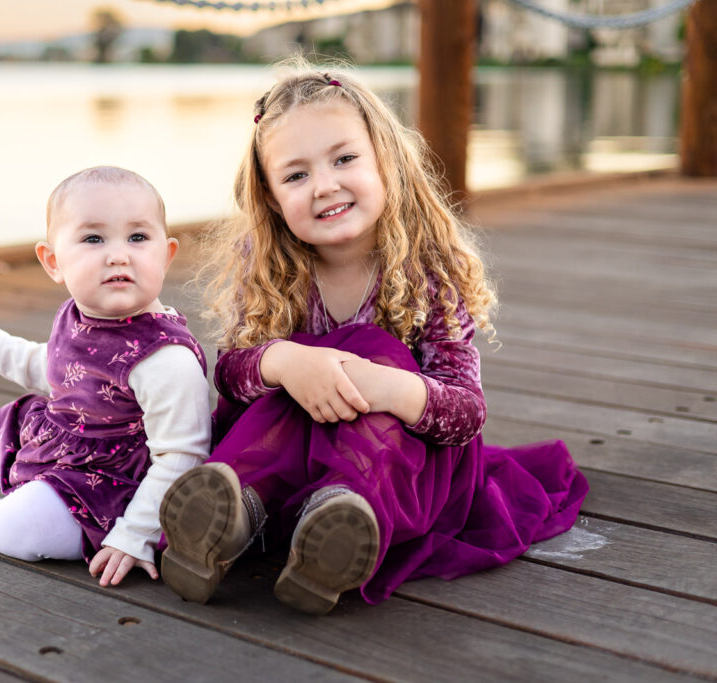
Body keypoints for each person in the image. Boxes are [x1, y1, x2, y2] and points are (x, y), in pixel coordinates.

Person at [158, 65, 588, 614]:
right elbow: (231, 375)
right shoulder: (265, 268)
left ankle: (338, 527)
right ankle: (230, 519)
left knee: (372, 345)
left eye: (344, 159)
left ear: (385, 157)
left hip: (402, 471)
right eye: (295, 176)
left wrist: (385, 384)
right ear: (269, 198)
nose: (325, 186)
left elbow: (465, 413)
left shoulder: (430, 270)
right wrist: (287, 361)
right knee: (278, 382)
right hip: (285, 462)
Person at [0, 166, 211, 587]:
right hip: (65, 438)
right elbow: (63, 369)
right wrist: (6, 351)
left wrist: (134, 535)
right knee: (4, 431)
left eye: (138, 237)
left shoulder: (165, 359)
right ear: (53, 262)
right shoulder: (77, 312)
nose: (119, 254)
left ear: (167, 254)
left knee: (27, 529)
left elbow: (182, 457)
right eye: (93, 239)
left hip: (113, 485)